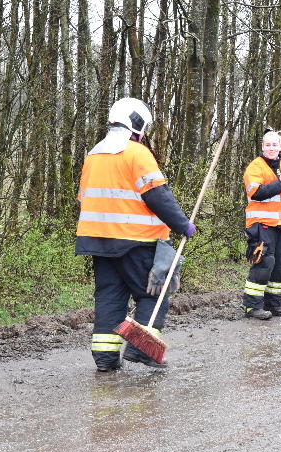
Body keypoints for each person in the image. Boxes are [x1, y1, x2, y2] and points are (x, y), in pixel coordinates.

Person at [75, 97, 195, 371]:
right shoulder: (137, 153)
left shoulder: (93, 155)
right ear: (137, 125)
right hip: (136, 241)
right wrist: (182, 225)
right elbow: (157, 195)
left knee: (109, 298)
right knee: (153, 295)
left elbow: (84, 198)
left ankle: (105, 359)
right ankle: (142, 351)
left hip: (99, 242)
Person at [242, 128, 281, 319]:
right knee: (264, 263)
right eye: (267, 145)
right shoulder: (255, 167)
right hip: (261, 225)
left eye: (274, 144)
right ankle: (253, 307)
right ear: (262, 146)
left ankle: (274, 304)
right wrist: (279, 182)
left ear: (280, 146)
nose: (271, 148)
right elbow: (257, 192)